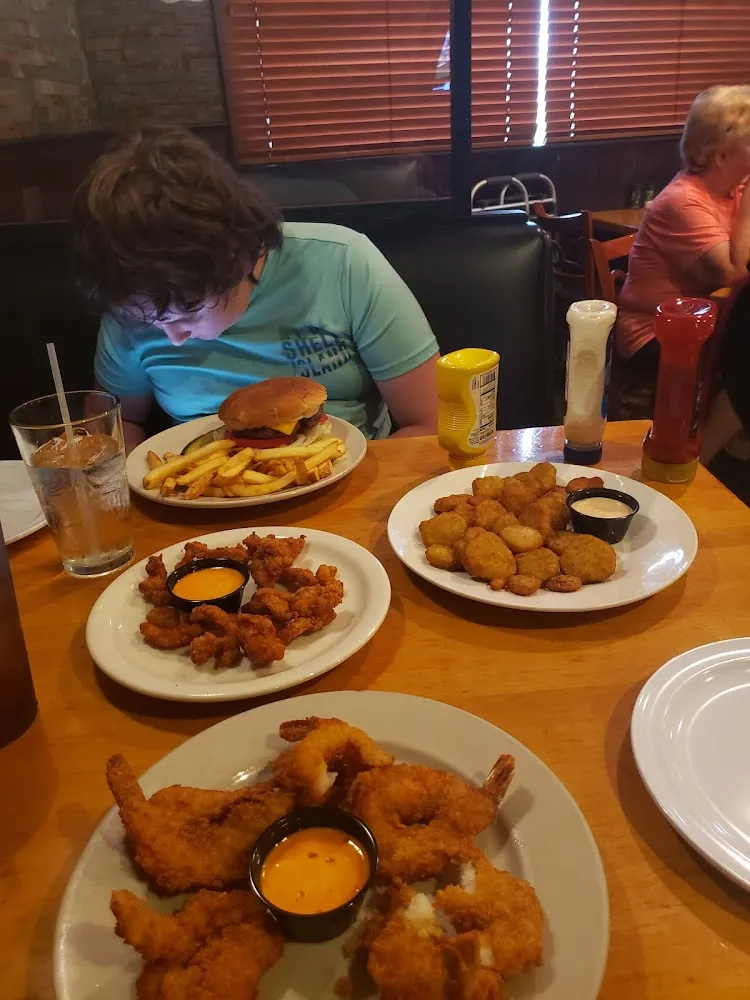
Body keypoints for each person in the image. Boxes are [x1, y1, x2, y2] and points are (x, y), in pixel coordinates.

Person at [73, 131, 440, 451]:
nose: (174, 338)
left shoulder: (343, 263)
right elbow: (115, 426)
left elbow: (431, 422)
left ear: (240, 256)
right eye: (149, 321)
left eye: (185, 314)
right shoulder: (131, 292)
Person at [616, 86, 750, 386]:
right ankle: (718, 433)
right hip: (656, 331)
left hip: (711, 323)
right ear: (723, 155)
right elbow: (737, 277)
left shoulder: (732, 193)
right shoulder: (682, 202)